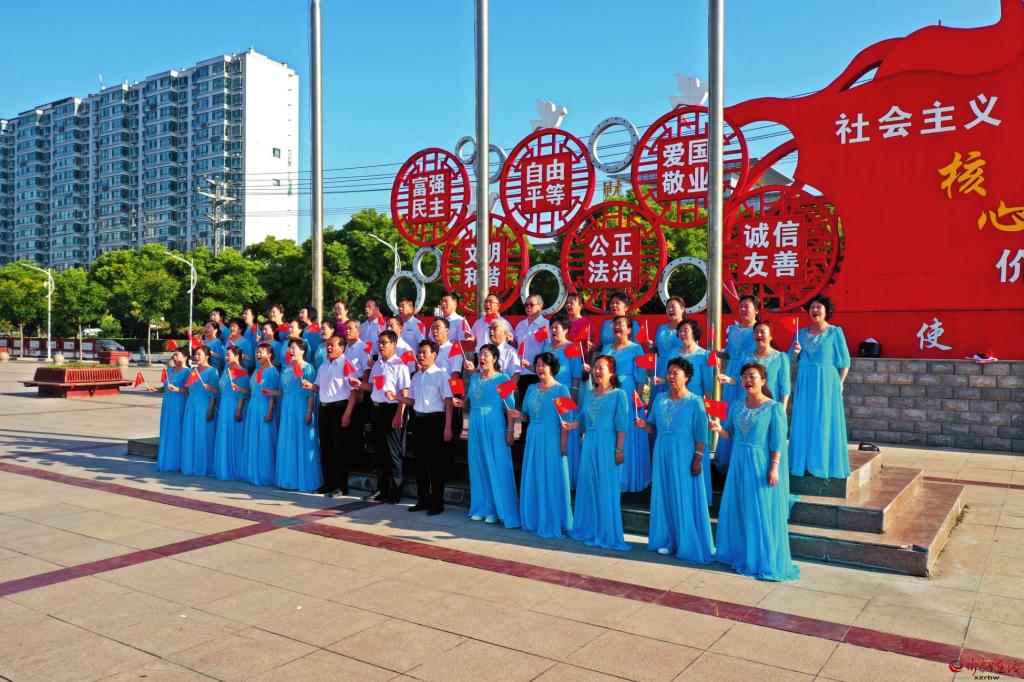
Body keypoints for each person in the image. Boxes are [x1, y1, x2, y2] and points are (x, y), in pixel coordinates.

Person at [710, 362, 799, 581]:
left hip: (760, 463)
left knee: (759, 510)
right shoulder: (736, 405)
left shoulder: (773, 408)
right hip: (738, 462)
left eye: (752, 376)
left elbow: (778, 442)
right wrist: (719, 429)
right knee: (740, 508)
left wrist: (774, 467)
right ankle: (742, 553)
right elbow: (730, 434)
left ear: (763, 380)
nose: (748, 380)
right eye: (744, 377)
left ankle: (762, 559)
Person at [636, 358, 714, 563]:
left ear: (686, 377)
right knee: (664, 494)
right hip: (662, 450)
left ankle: (685, 541)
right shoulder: (660, 398)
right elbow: (653, 426)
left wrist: (698, 458)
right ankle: (666, 540)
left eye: (675, 373)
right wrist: (644, 425)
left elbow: (701, 435)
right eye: (669, 372)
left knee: (683, 494)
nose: (671, 376)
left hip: (685, 453)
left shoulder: (695, 401)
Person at [564, 355, 630, 551]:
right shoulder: (590, 394)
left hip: (608, 444)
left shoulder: (619, 395)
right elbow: (583, 419)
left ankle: (607, 532)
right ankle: (589, 527)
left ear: (612, 372)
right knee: (589, 486)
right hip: (590, 443)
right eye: (595, 368)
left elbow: (622, 426)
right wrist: (572, 425)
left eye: (601, 368)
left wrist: (619, 449)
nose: (597, 371)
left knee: (606, 488)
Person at [456, 343, 520, 527]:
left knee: (496, 464)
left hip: (494, 424)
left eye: (485, 354)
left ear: (495, 358)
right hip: (476, 423)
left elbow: (510, 409)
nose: (481, 358)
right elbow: (469, 401)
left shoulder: (504, 378)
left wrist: (510, 431)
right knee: (478, 465)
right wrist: (460, 402)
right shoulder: (474, 377)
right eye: (480, 354)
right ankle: (482, 507)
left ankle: (496, 509)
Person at [510, 353, 573, 539]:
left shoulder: (562, 390)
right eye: (537, 365)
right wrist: (518, 415)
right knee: (535, 476)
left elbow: (567, 421)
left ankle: (552, 520)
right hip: (534, 438)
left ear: (552, 368)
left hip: (552, 438)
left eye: (543, 365)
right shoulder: (531, 388)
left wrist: (563, 444)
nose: (539, 368)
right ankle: (534, 518)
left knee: (551, 477)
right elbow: (527, 416)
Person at [788, 295, 851, 479]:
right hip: (805, 381)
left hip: (827, 382)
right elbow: (791, 359)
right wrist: (796, 352)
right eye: (812, 307)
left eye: (819, 307)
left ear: (826, 311)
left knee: (823, 420)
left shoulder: (835, 332)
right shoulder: (800, 334)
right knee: (805, 420)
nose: (815, 310)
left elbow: (845, 362)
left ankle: (823, 463)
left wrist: (840, 383)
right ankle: (803, 462)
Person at [394, 340, 454, 515]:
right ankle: (423, 499)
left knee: (436, 465)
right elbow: (412, 401)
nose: (420, 355)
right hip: (418, 421)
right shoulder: (416, 376)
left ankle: (437, 502)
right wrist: (397, 397)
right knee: (419, 463)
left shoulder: (441, 375)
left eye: (424, 352)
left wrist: (448, 427)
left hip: (435, 422)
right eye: (419, 352)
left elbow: (448, 403)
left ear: (434, 355)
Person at [599, 316, 651, 493]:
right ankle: (611, 476)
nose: (616, 327)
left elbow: (641, 376)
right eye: (615, 324)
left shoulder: (636, 348)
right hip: (608, 392)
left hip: (628, 392)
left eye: (620, 324)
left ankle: (628, 477)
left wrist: (638, 399)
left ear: (629, 330)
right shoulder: (607, 348)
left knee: (627, 431)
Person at [307, 335, 359, 497]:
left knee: (339, 449)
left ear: (342, 348)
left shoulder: (346, 364)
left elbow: (354, 392)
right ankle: (328, 484)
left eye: (332, 345)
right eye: (327, 345)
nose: (328, 347)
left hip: (339, 409)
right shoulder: (323, 365)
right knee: (326, 448)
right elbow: (318, 387)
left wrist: (347, 413)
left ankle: (341, 486)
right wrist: (310, 386)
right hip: (324, 409)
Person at [364, 330, 411, 503]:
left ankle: (396, 491)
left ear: (394, 344)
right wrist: (359, 384)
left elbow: (404, 391)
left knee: (393, 453)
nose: (381, 346)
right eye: (379, 343)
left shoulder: (400, 365)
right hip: (376, 409)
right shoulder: (377, 364)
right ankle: (382, 489)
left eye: (384, 342)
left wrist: (399, 414)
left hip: (392, 410)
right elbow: (373, 387)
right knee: (379, 451)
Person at [716, 294, 760, 470]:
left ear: (756, 310)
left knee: (745, 413)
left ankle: (742, 458)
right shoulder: (733, 329)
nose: (743, 309)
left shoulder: (758, 330)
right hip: (731, 374)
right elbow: (728, 353)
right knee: (729, 413)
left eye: (747, 306)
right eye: (741, 306)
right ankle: (727, 458)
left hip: (748, 374)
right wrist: (718, 353)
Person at [275, 337, 322, 492]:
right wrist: (271, 392)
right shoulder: (287, 368)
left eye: (293, 347)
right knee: (288, 440)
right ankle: (288, 479)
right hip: (287, 407)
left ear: (302, 350)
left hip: (301, 407)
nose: (290, 350)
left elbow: (311, 393)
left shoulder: (308, 368)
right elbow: (284, 391)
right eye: (289, 347)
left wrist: (309, 412)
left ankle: (304, 479)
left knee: (302, 440)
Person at [542, 315, 583, 488]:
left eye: (557, 327)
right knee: (552, 431)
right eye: (552, 327)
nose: (553, 330)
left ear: (566, 330)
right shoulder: (546, 347)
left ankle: (568, 478)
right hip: (547, 395)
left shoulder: (572, 347)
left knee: (566, 432)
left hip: (565, 394)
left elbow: (577, 374)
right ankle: (552, 476)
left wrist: (573, 394)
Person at [719, 320, 791, 411]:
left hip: (769, 408)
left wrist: (782, 411)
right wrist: (727, 379)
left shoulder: (781, 358)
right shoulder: (746, 356)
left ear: (771, 336)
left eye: (762, 332)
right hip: (746, 407)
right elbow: (738, 380)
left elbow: (785, 388)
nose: (759, 334)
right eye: (756, 332)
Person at [240, 342, 281, 486]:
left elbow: (272, 393)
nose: (258, 354)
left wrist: (270, 411)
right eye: (257, 352)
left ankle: (265, 473)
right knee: (253, 437)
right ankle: (252, 471)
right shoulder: (257, 371)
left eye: (261, 352)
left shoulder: (272, 371)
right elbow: (254, 390)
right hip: (253, 406)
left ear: (269, 354)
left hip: (264, 406)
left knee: (264, 439)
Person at [179, 345, 219, 476]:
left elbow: (214, 393)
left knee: (202, 435)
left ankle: (203, 466)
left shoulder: (212, 371)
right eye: (195, 354)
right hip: (191, 405)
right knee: (190, 434)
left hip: (204, 405)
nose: (196, 357)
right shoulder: (193, 370)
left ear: (207, 356)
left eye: (199, 354)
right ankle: (190, 464)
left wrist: (211, 410)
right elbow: (188, 388)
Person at [514, 295, 550, 438]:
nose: (528, 307)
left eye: (532, 305)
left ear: (540, 306)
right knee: (525, 403)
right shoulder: (520, 325)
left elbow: (549, 350)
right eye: (526, 305)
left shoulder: (546, 325)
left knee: (538, 405)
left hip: (538, 372)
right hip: (522, 372)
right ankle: (524, 435)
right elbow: (516, 345)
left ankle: (538, 435)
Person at [212, 346, 249, 481]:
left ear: (237, 356)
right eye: (225, 355)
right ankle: (225, 467)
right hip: (224, 405)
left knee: (234, 436)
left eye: (228, 355)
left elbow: (243, 393)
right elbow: (223, 389)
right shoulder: (226, 370)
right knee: (225, 436)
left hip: (234, 406)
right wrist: (213, 389)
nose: (226, 357)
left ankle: (235, 468)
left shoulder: (241, 371)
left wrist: (238, 409)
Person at [153, 349, 190, 473]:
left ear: (185, 357)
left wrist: (178, 389)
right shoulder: (169, 370)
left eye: (177, 355)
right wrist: (157, 389)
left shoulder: (188, 372)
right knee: (166, 429)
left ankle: (176, 462)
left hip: (179, 403)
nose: (174, 357)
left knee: (176, 429)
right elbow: (165, 387)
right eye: (173, 355)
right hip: (167, 402)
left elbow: (189, 390)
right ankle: (166, 460)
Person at [652, 296, 685, 398]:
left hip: (678, 367)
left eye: (673, 306)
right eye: (668, 307)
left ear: (682, 309)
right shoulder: (661, 328)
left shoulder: (687, 328)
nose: (670, 309)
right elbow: (656, 348)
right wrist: (651, 345)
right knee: (658, 398)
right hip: (660, 367)